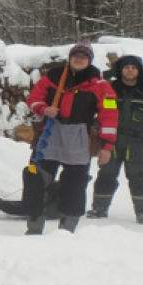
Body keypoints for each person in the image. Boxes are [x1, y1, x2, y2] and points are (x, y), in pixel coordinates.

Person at [21, 44, 117, 234]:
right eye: (76, 56)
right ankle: (34, 228)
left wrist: (107, 146)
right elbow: (34, 98)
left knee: (75, 184)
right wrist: (43, 108)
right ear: (70, 58)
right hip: (50, 134)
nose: (79, 59)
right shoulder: (52, 77)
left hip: (79, 137)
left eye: (83, 57)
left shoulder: (101, 85)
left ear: (89, 60)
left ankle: (66, 230)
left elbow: (110, 115)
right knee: (36, 179)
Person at [90, 55, 143, 225]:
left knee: (139, 177)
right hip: (112, 139)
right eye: (126, 67)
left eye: (133, 67)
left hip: (138, 142)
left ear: (139, 71)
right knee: (106, 174)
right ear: (121, 70)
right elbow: (100, 112)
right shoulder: (110, 90)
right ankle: (99, 208)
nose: (130, 70)